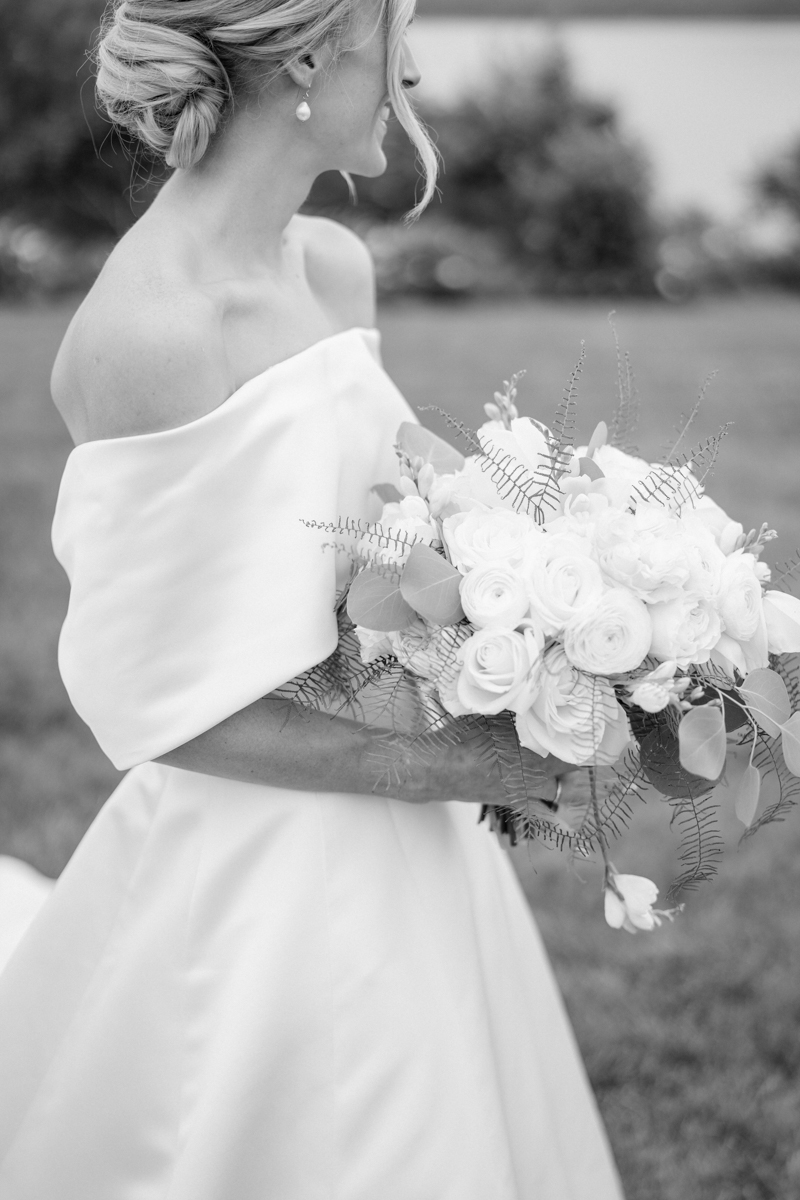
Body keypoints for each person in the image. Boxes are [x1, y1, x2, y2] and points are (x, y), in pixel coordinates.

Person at [0, 1, 625, 1196]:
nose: (418, 67)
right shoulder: (147, 338)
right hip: (261, 880)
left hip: (417, 841)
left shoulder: (329, 265)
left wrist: (569, 596)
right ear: (305, 57)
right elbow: (167, 716)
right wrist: (459, 769)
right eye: (396, 34)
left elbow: (405, 515)